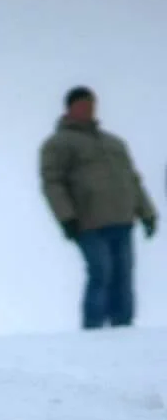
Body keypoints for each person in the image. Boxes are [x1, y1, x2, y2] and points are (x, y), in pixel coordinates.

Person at [39, 86, 157, 329]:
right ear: (70, 108)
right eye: (83, 105)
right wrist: (66, 217)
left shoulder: (114, 143)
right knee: (101, 271)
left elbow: (132, 180)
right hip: (88, 222)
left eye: (92, 105)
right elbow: (53, 183)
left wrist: (147, 213)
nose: (89, 109)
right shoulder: (58, 144)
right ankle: (93, 330)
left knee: (123, 276)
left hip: (122, 219)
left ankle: (122, 328)